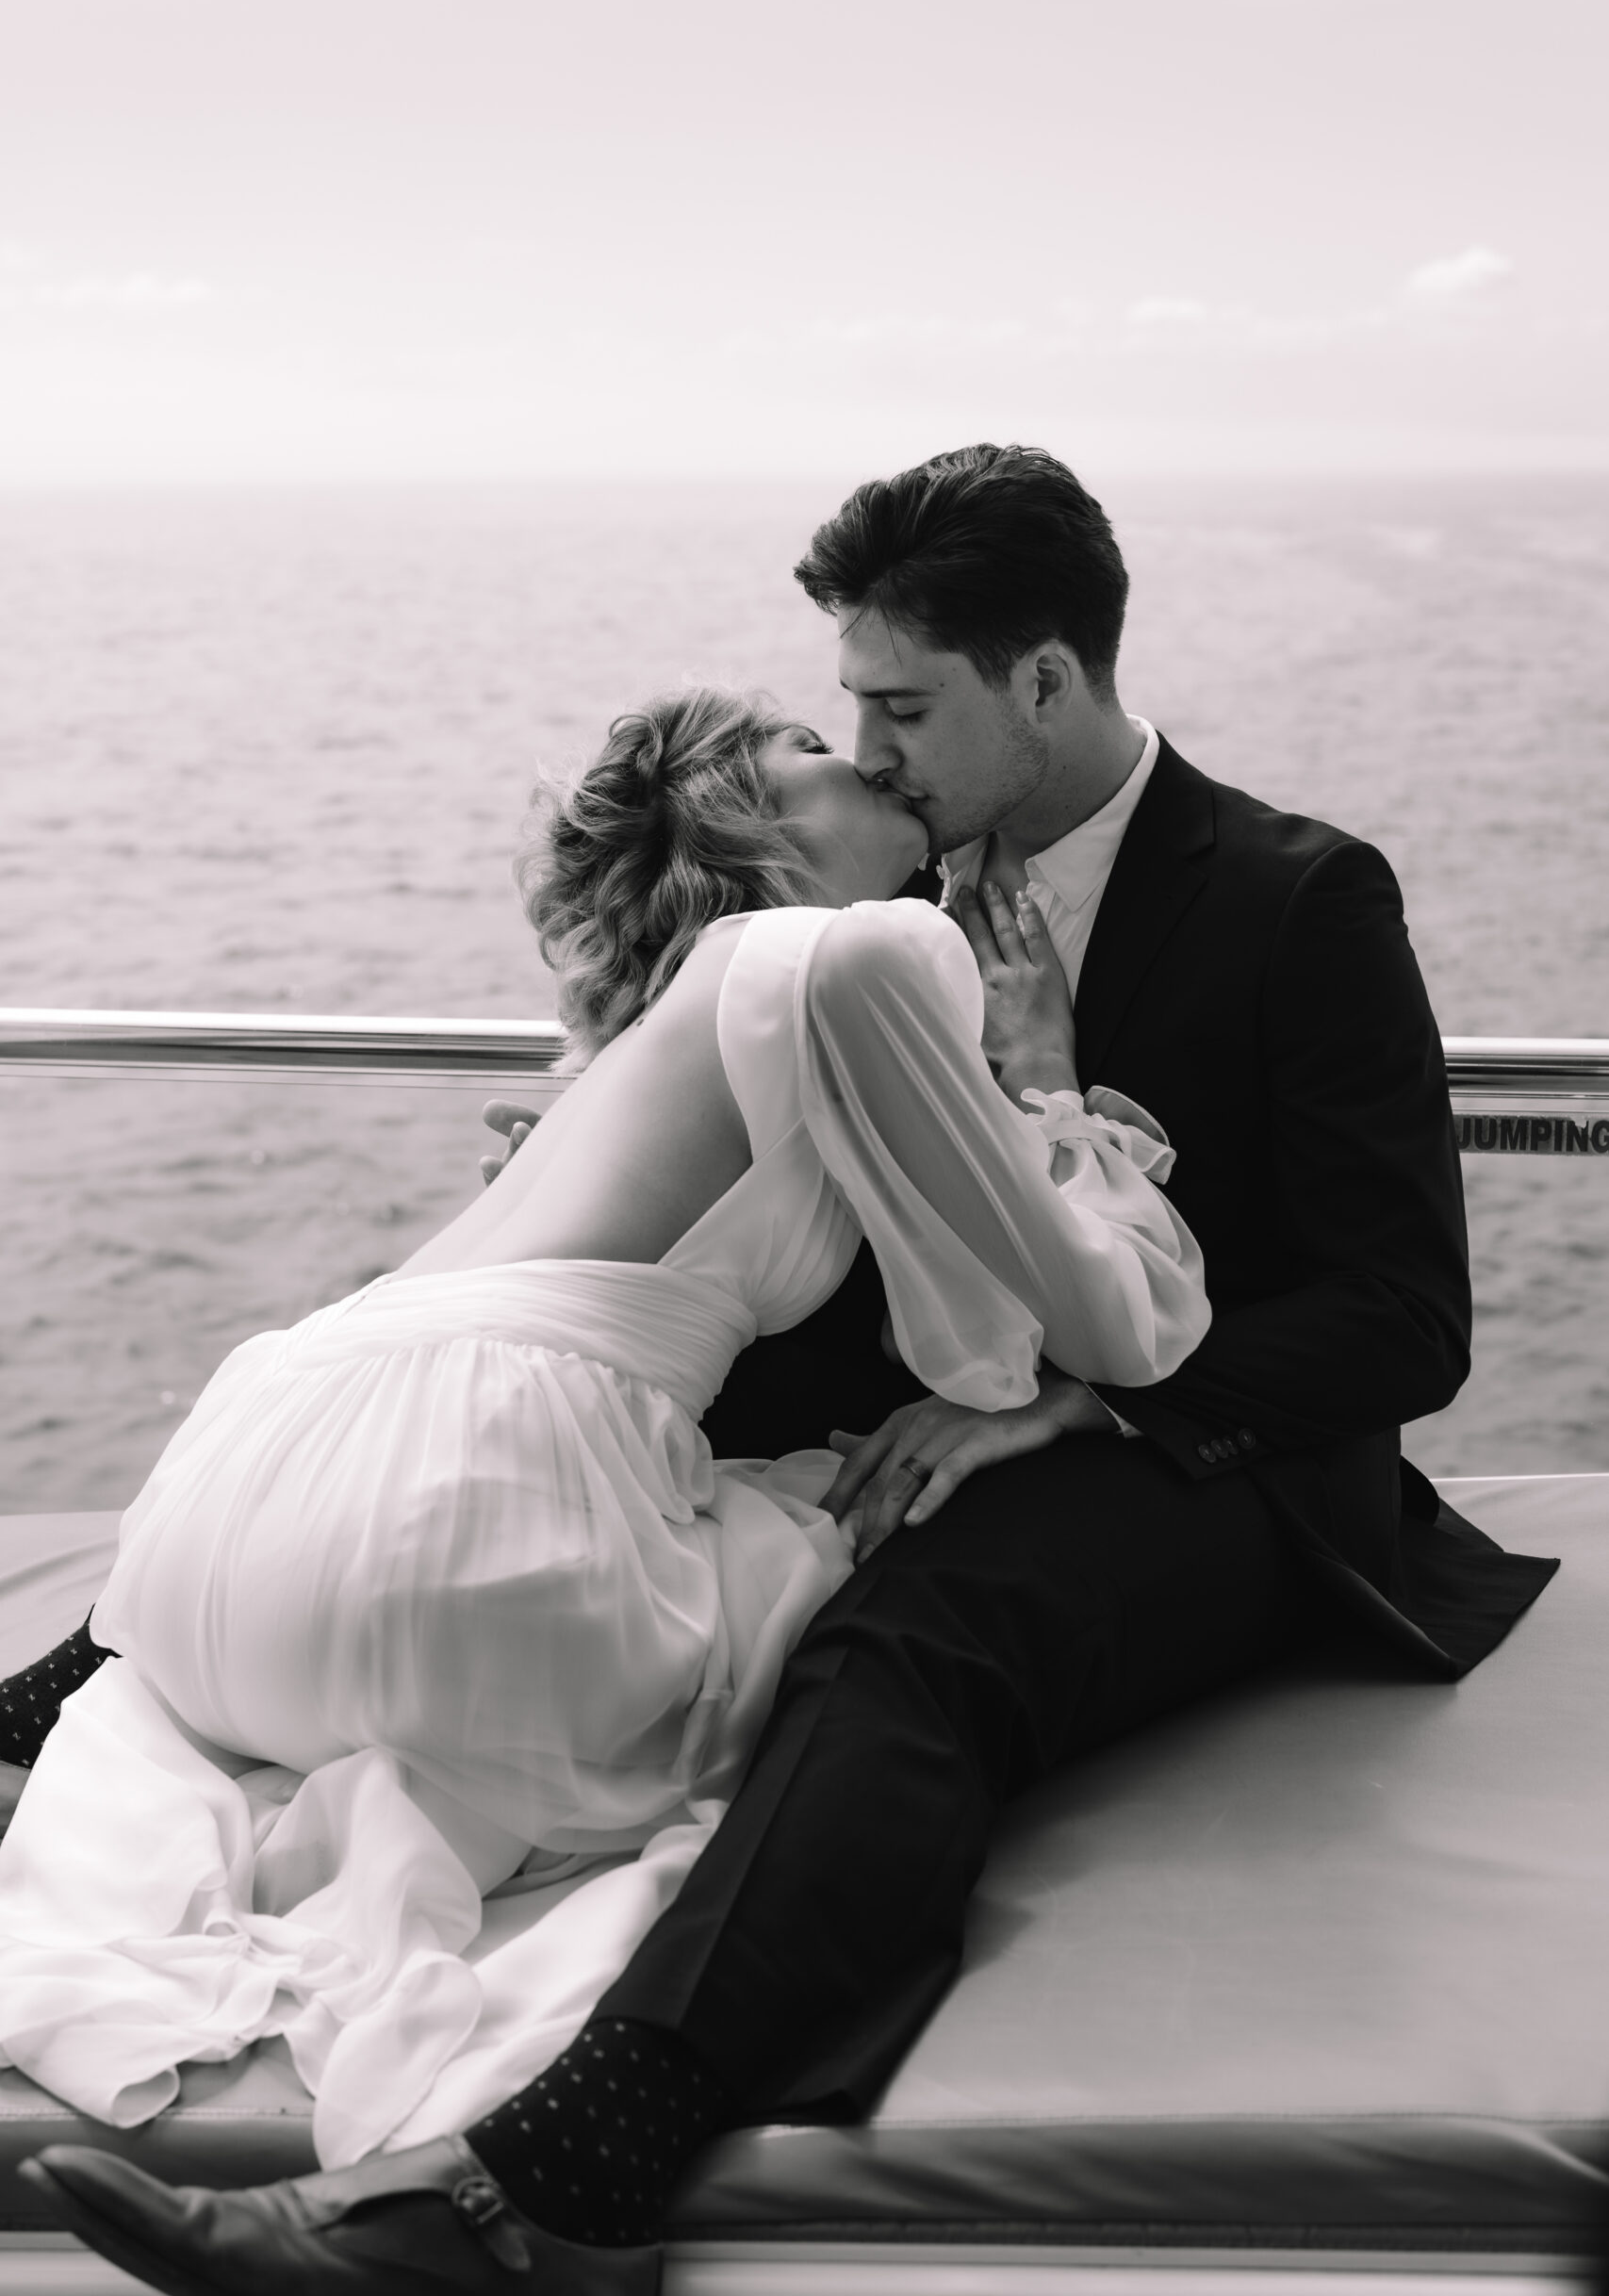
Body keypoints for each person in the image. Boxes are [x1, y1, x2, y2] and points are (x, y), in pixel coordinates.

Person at [4, 664, 1212, 2290]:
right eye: (808, 745)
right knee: (862, 1535)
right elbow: (1097, 1333)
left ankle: (35, 1725)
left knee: (751, 1491)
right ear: (745, 822)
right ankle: (553, 2174)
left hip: (221, 1535)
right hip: (449, 1548)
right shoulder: (870, 947)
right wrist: (1045, 1077)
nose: (867, 757)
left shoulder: (658, 1024)